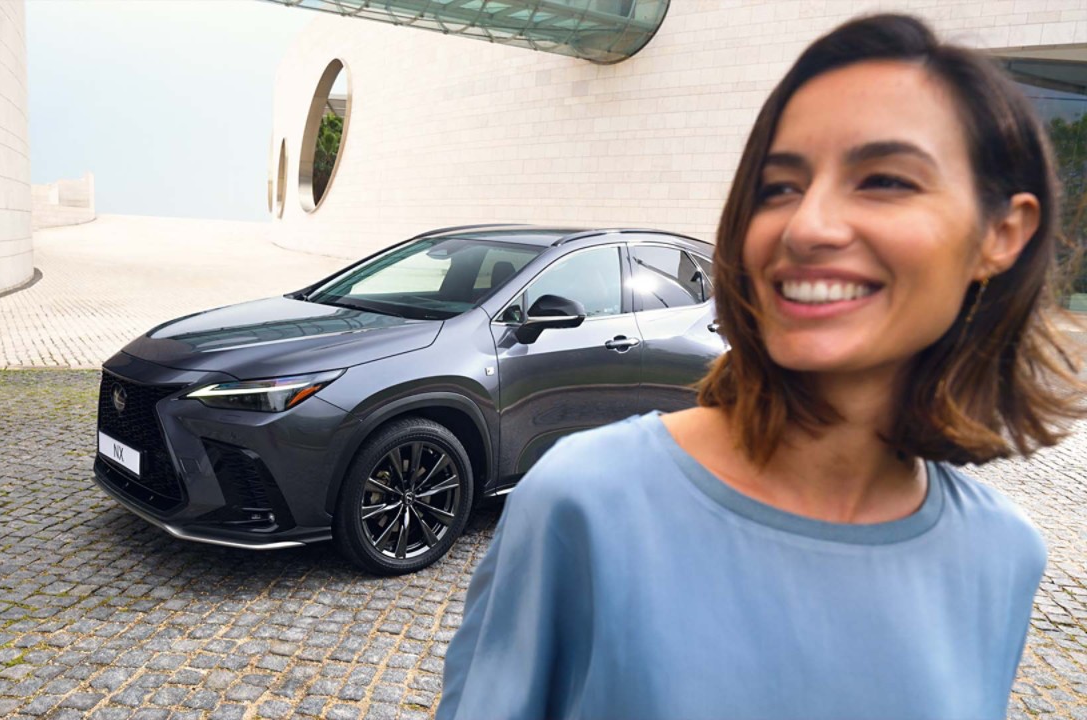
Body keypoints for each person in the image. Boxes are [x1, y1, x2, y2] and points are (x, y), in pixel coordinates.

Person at [438, 13, 1085, 720]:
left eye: (885, 180)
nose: (807, 227)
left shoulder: (1002, 555)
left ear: (1003, 234)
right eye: (778, 188)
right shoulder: (583, 503)